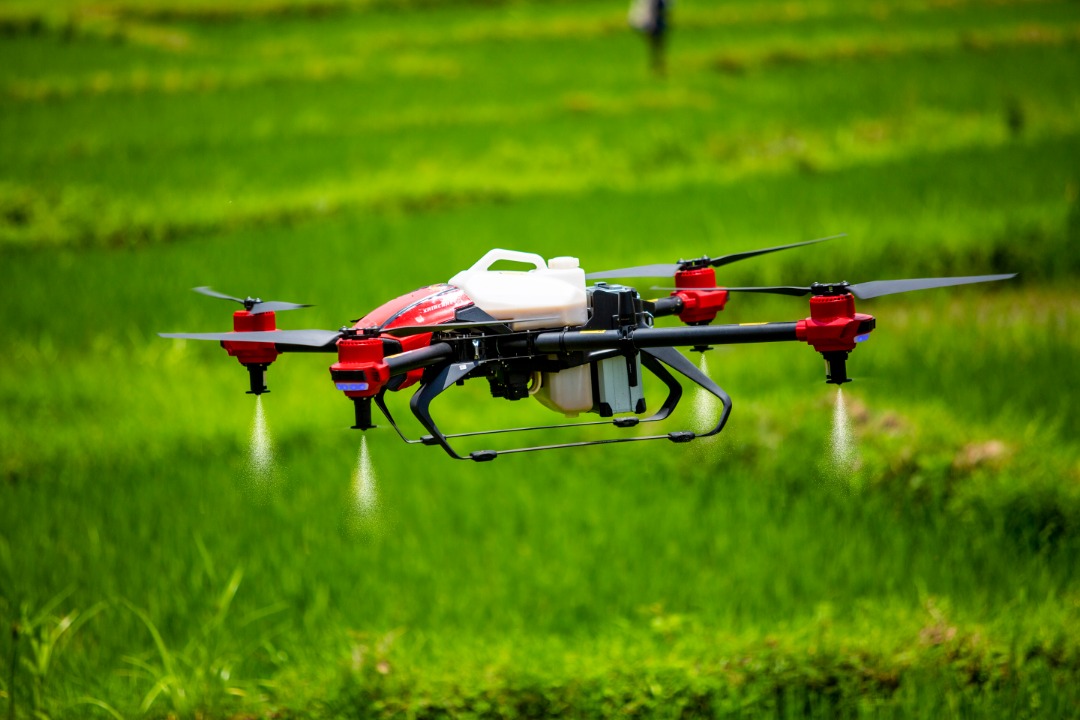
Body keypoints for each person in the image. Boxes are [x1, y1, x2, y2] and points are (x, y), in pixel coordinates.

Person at [629, 0, 670, 75]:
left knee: (657, 46)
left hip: (656, 21)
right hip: (652, 22)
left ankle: (657, 66)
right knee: (656, 46)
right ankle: (657, 66)